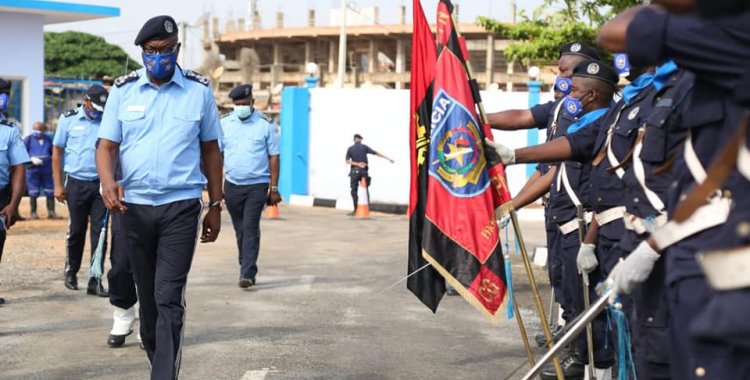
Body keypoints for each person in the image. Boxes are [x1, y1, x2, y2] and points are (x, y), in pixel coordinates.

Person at [597, 2, 750, 379]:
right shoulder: (692, 73)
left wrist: (652, 246)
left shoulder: (736, 33)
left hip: (721, 271)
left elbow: (615, 32)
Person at [96, 15, 223, 379]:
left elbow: (211, 151)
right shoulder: (123, 91)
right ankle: (157, 357)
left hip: (180, 208)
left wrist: (215, 205)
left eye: (167, 51)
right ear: (142, 52)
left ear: (177, 50)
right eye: (152, 51)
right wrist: (107, 183)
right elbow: (106, 147)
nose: (160, 58)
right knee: (149, 302)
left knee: (169, 297)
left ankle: (163, 375)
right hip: (132, 208)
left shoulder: (199, 92)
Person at [488, 60, 619, 379]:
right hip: (566, 221)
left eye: (573, 87)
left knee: (593, 310)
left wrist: (514, 156)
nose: (566, 89)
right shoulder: (579, 123)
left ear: (591, 95)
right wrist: (513, 197)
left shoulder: (603, 123)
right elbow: (553, 166)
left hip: (588, 224)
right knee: (573, 296)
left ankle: (590, 364)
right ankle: (578, 357)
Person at [220, 84, 281, 289]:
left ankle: (247, 272)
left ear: (252, 103)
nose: (241, 107)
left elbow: (274, 157)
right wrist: (216, 186)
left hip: (257, 186)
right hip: (232, 185)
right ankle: (245, 261)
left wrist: (273, 188)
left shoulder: (265, 124)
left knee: (250, 227)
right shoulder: (224, 124)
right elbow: (217, 156)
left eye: (244, 104)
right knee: (240, 230)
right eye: (237, 104)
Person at [52, 84, 109, 297]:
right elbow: (57, 152)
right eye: (94, 106)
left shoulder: (106, 120)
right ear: (85, 101)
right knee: (76, 230)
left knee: (100, 233)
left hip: (101, 184)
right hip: (75, 182)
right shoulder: (68, 119)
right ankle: (71, 271)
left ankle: (95, 279)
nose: (97, 111)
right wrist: (58, 184)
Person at [0, 78, 31, 306]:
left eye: (5, 92)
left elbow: (19, 170)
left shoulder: (10, 132)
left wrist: (13, 205)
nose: (4, 97)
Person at [345, 134, 394, 215]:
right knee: (365, 190)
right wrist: (388, 158)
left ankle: (356, 209)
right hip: (363, 171)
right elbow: (376, 153)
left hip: (354, 171)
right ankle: (366, 208)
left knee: (354, 190)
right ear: (361, 140)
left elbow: (347, 161)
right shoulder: (364, 147)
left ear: (354, 139)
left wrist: (357, 164)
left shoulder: (350, 148)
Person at [24, 121, 58, 219]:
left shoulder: (48, 139)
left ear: (44, 130)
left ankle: (51, 212)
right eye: (35, 129)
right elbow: (22, 152)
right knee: (33, 190)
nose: (37, 132)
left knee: (49, 189)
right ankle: (33, 212)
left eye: (39, 130)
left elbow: (53, 152)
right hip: (33, 169)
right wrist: (31, 159)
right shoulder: (28, 139)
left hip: (46, 168)